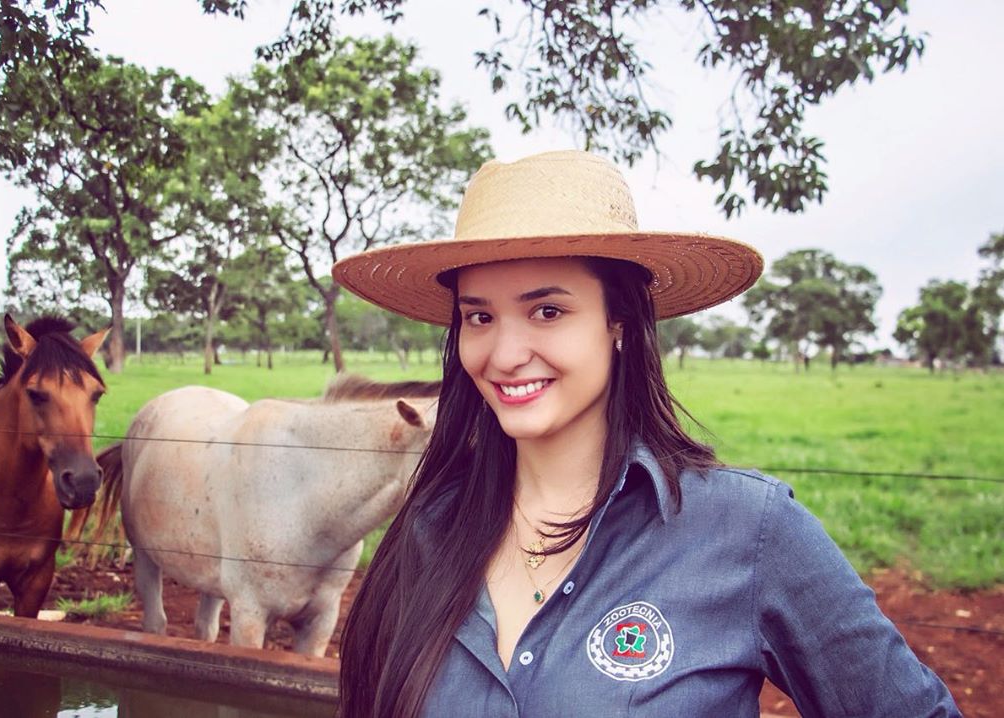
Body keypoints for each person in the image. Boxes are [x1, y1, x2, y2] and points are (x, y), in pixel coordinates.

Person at [332, 150, 960, 717]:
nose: (504, 353)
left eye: (547, 311)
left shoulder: (748, 531)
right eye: (480, 316)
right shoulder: (429, 527)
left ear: (620, 322)